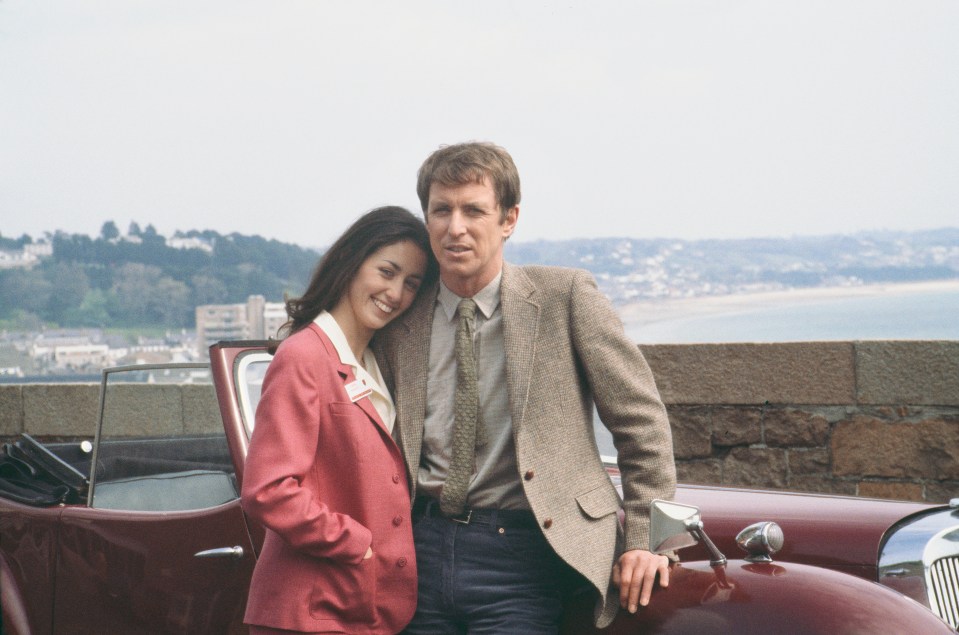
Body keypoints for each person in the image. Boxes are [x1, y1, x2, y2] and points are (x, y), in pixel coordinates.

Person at [376, 142, 676, 633]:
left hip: (524, 554)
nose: (456, 227)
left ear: (509, 219)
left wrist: (646, 539)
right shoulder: (399, 316)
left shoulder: (566, 297)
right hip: (416, 552)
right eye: (441, 210)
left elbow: (641, 424)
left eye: (474, 210)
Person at [241, 206, 438, 635]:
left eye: (411, 284)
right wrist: (358, 544)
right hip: (307, 610)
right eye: (386, 271)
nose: (396, 293)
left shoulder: (373, 362)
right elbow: (268, 490)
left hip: (356, 609)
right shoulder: (304, 356)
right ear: (352, 262)